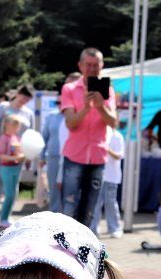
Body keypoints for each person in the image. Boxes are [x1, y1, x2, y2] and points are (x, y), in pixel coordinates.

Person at [61, 48, 118, 227]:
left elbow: (113, 122)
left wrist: (100, 107)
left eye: (96, 65)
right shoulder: (69, 88)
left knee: (90, 210)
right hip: (74, 156)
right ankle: (64, 249)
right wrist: (86, 107)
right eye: (89, 65)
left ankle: (83, 251)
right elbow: (70, 123)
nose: (92, 69)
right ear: (81, 65)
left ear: (102, 66)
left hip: (97, 157)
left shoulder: (107, 90)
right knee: (69, 208)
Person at [0, 85, 35, 221]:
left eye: (28, 99)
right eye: (24, 97)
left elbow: (30, 135)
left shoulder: (28, 113)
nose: (24, 101)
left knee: (14, 186)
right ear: (18, 93)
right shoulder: (3, 107)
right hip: (1, 154)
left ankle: (6, 216)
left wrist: (28, 155)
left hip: (18, 156)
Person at [41, 74, 81, 213]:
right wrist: (41, 157)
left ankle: (70, 219)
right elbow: (44, 137)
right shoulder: (52, 117)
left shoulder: (80, 115)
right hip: (54, 157)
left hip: (74, 158)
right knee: (54, 190)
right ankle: (54, 220)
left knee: (72, 191)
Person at [90, 125, 124, 238]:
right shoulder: (98, 134)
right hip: (98, 175)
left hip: (111, 176)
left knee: (110, 202)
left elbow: (119, 156)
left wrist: (106, 148)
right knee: (95, 203)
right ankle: (93, 229)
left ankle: (114, 228)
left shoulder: (117, 136)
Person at [0, 114, 24, 228]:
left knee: (13, 194)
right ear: (7, 125)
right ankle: (2, 218)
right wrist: (16, 158)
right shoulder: (3, 138)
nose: (17, 128)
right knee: (9, 194)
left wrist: (22, 156)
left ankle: (7, 216)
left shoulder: (16, 137)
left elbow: (19, 152)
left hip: (15, 167)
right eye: (15, 125)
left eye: (18, 126)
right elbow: (2, 156)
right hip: (7, 168)